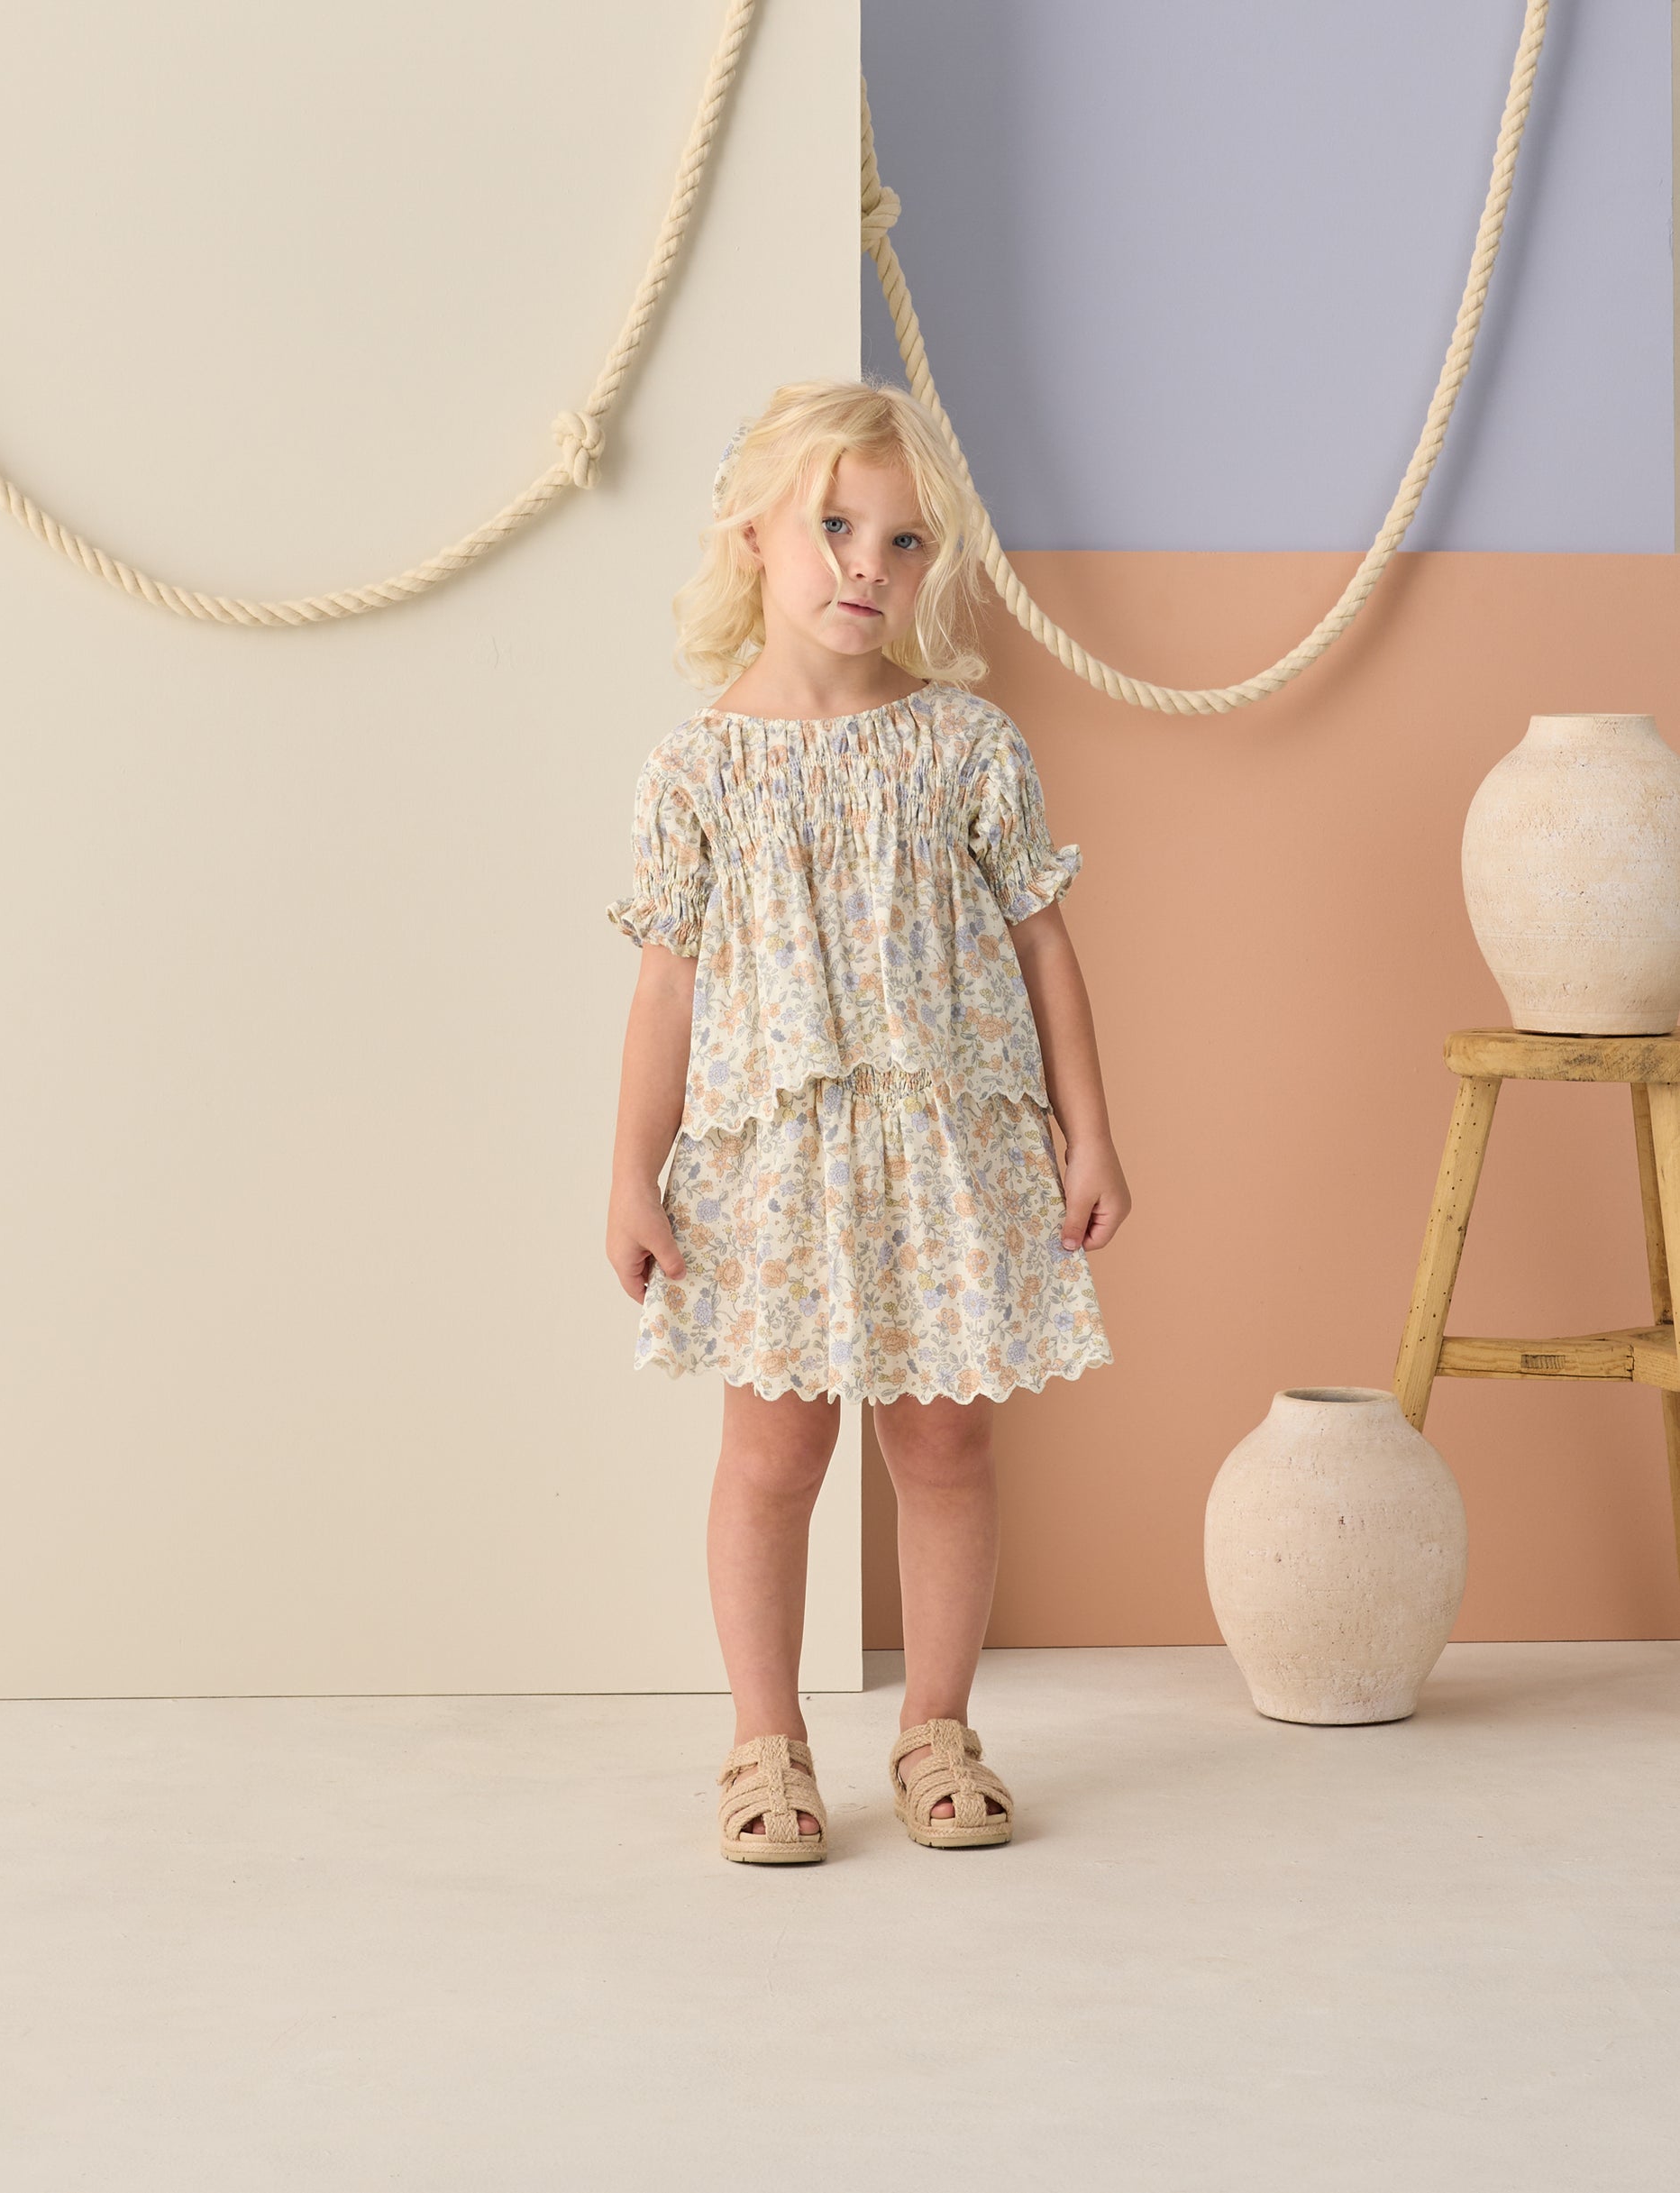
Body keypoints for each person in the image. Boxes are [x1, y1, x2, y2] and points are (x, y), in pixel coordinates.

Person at [603, 377, 1131, 1863]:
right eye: (834, 527)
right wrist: (631, 1173)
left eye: (903, 542)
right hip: (775, 1169)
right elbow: (665, 987)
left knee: (946, 1444)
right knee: (771, 1455)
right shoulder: (696, 768)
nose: (866, 566)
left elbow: (1041, 943)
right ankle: (762, 1741)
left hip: (943, 1153)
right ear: (751, 534)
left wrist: (1088, 1132)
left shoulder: (965, 744)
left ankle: (936, 1728)